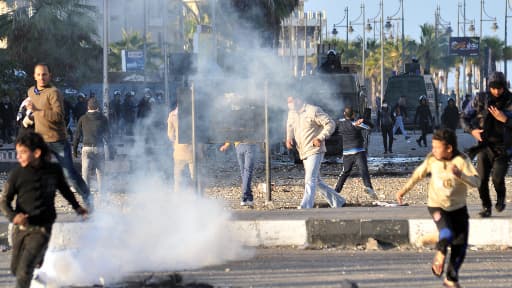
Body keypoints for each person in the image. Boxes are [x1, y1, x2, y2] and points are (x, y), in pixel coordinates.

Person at [0, 131, 88, 288]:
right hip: (21, 226)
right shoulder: (17, 174)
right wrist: (14, 217)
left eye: (23, 153)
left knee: (23, 271)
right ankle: (38, 258)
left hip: (42, 226)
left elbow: (65, 191)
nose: (18, 157)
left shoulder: (53, 171)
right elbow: (4, 201)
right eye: (17, 153)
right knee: (15, 269)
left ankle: (36, 258)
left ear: (37, 153)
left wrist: (77, 207)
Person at [396, 128, 479, 288]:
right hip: (437, 206)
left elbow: (477, 182)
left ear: (449, 148)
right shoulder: (432, 159)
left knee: (460, 247)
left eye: (436, 147)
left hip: (459, 209)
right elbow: (417, 175)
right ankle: (440, 253)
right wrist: (403, 190)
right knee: (447, 233)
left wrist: (461, 175)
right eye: (432, 147)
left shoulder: (462, 160)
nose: (433, 150)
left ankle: (450, 279)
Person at [26, 63, 92, 209]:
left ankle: (88, 199)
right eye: (39, 74)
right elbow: (34, 113)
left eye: (44, 74)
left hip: (57, 140)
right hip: (40, 140)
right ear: (34, 76)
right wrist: (28, 117)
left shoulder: (54, 92)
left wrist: (36, 110)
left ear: (50, 76)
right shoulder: (31, 91)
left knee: (69, 174)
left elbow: (58, 116)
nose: (42, 77)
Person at [461, 71, 512, 218]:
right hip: (484, 146)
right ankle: (486, 207)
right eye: (494, 88)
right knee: (481, 180)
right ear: (489, 87)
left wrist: (506, 120)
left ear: (504, 87)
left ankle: (501, 198)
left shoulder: (510, 100)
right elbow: (464, 117)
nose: (497, 91)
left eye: (500, 88)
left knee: (497, 178)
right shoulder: (480, 99)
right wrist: (472, 131)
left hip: (504, 147)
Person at [286, 95, 346, 209]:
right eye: (288, 101)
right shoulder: (292, 113)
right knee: (317, 181)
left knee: (310, 179)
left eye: (291, 100)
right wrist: (288, 138)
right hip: (303, 151)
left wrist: (320, 137)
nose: (290, 104)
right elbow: (289, 125)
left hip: (315, 149)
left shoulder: (313, 110)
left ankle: (306, 206)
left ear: (299, 98)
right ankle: (338, 201)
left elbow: (330, 124)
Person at [334, 107, 379, 199]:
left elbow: (333, 127)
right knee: (364, 171)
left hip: (346, 153)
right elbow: (371, 127)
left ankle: (336, 191)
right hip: (358, 152)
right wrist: (364, 120)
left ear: (344, 113)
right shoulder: (355, 124)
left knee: (345, 172)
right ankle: (368, 187)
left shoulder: (339, 123)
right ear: (353, 114)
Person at [72, 98, 112, 194]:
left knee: (85, 171)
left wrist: (74, 149)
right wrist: (111, 150)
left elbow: (77, 135)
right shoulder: (103, 118)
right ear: (98, 107)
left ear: (88, 107)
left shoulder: (82, 118)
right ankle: (102, 192)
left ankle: (86, 193)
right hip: (99, 148)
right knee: (100, 171)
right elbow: (108, 136)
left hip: (86, 148)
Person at [220, 141, 258, 207]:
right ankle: (244, 198)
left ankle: (249, 199)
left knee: (244, 173)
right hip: (250, 145)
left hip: (239, 146)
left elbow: (232, 133)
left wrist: (226, 145)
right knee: (247, 172)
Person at [167, 105, 194, 192]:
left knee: (178, 177)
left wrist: (175, 142)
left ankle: (177, 196)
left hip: (179, 150)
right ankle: (195, 196)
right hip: (192, 149)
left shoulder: (172, 115)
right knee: (194, 176)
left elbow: (170, 135)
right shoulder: (193, 112)